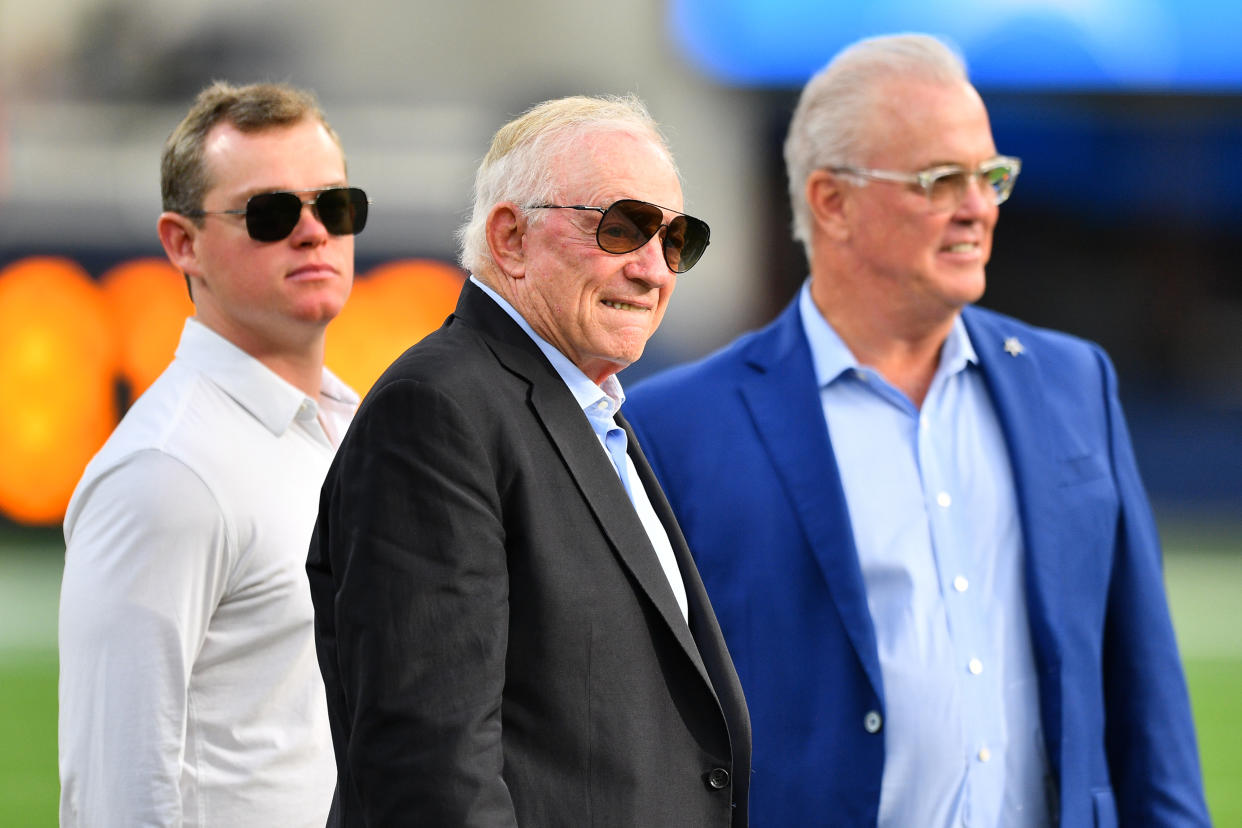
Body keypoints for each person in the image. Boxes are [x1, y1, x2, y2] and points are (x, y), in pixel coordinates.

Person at [625, 33, 1210, 828]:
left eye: (991, 177)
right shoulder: (676, 428)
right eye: (942, 180)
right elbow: (634, 736)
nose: (978, 207)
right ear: (831, 201)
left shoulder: (1075, 385)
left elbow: (1147, 701)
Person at [307, 94, 750, 827]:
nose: (654, 269)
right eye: (623, 227)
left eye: (677, 240)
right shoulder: (439, 412)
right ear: (510, 238)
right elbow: (432, 770)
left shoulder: (592, 415)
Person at [58, 81, 365, 827]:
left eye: (334, 205)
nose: (313, 231)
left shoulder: (351, 425)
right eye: (270, 213)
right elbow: (113, 793)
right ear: (181, 243)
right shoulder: (166, 472)